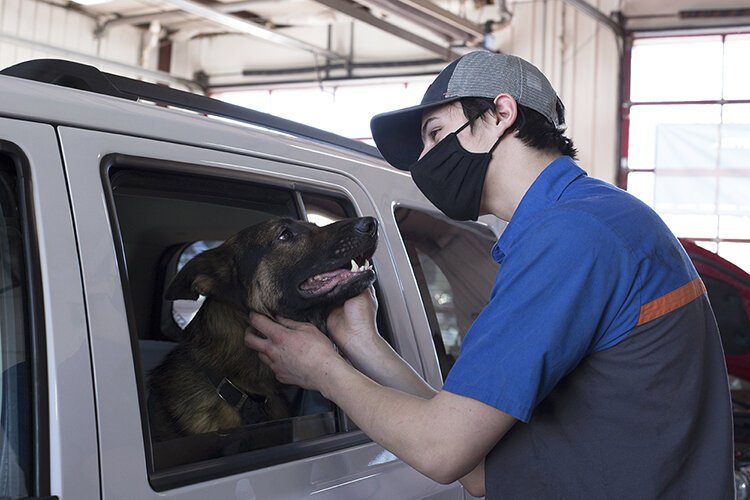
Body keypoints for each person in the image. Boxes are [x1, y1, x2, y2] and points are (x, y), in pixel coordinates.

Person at [245, 51, 734, 498]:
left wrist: (322, 370)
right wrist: (361, 343)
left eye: (435, 134)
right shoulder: (599, 217)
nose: (424, 163)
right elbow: (471, 454)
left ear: (501, 114)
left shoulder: (571, 239)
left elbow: (441, 450)